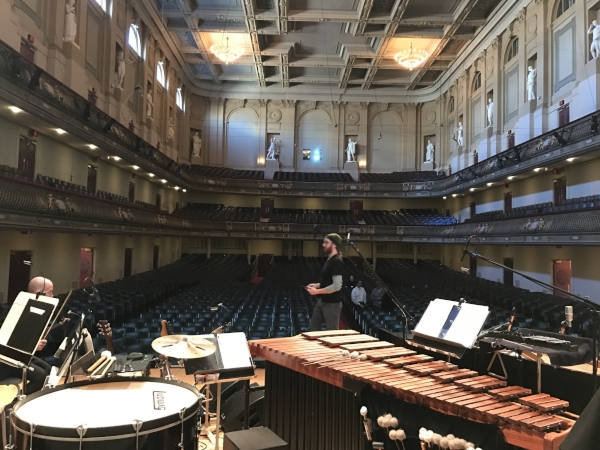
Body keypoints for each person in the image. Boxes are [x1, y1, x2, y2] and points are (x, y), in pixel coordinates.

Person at [0, 277, 53, 394]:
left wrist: (34, 343)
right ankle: (12, 405)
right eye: (50, 293)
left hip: (19, 354)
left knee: (48, 369)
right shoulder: (15, 311)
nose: (53, 296)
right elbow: (6, 343)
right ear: (37, 293)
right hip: (5, 360)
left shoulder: (36, 310)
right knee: (41, 376)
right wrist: (32, 345)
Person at [306, 233, 345, 331]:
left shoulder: (336, 261)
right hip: (323, 301)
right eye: (324, 242)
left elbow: (337, 286)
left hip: (332, 304)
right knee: (312, 330)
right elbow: (328, 281)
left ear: (334, 245)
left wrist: (316, 292)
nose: (323, 245)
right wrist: (317, 285)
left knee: (332, 333)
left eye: (327, 242)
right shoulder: (329, 260)